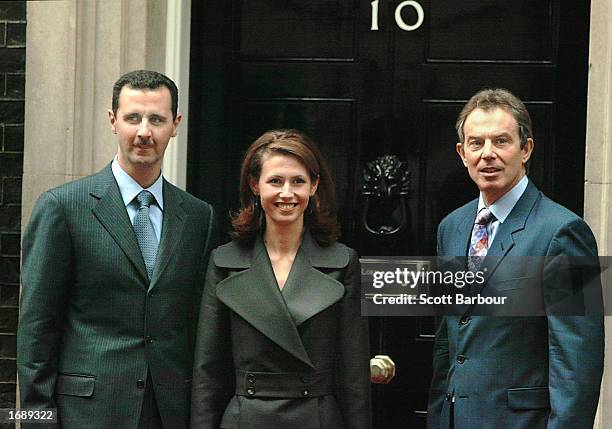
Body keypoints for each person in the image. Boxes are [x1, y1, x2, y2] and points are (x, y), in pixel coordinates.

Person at [17, 70, 219, 428]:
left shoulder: (198, 216)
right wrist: (36, 421)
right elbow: (37, 329)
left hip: (170, 410)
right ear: (113, 121)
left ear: (175, 124)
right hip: (87, 411)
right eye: (132, 118)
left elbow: (196, 325)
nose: (144, 131)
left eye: (156, 119)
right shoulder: (63, 208)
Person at [427, 88, 604, 428]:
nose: (487, 154)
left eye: (502, 141)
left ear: (526, 149)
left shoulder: (566, 231)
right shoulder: (451, 227)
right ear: (462, 154)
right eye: (476, 143)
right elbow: (447, 341)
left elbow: (578, 361)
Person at [191, 129, 371, 428]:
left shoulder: (344, 262)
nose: (287, 193)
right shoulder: (224, 262)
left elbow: (354, 377)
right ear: (255, 185)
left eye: (298, 181)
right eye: (275, 181)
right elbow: (207, 372)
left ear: (314, 186)